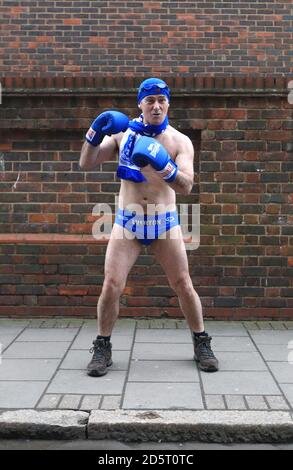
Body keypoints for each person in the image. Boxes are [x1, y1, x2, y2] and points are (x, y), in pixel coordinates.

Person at [79, 77, 219, 376]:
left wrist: (163, 165)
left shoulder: (179, 141)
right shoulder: (122, 133)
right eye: (150, 100)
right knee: (112, 285)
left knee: (183, 284)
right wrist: (92, 135)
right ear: (140, 103)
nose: (156, 106)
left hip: (164, 222)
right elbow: (86, 163)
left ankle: (201, 342)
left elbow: (187, 187)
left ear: (168, 103)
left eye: (161, 100)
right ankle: (102, 347)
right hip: (127, 222)